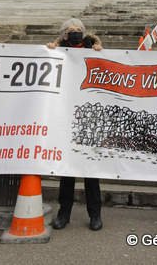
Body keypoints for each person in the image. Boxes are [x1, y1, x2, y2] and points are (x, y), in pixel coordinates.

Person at [46, 19, 104, 231]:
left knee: (91, 173)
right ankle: (64, 213)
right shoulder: (57, 50)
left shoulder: (94, 49)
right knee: (67, 172)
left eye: (78, 30)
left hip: (89, 118)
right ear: (63, 34)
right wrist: (49, 50)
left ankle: (95, 214)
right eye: (71, 30)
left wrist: (100, 51)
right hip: (67, 118)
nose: (75, 33)